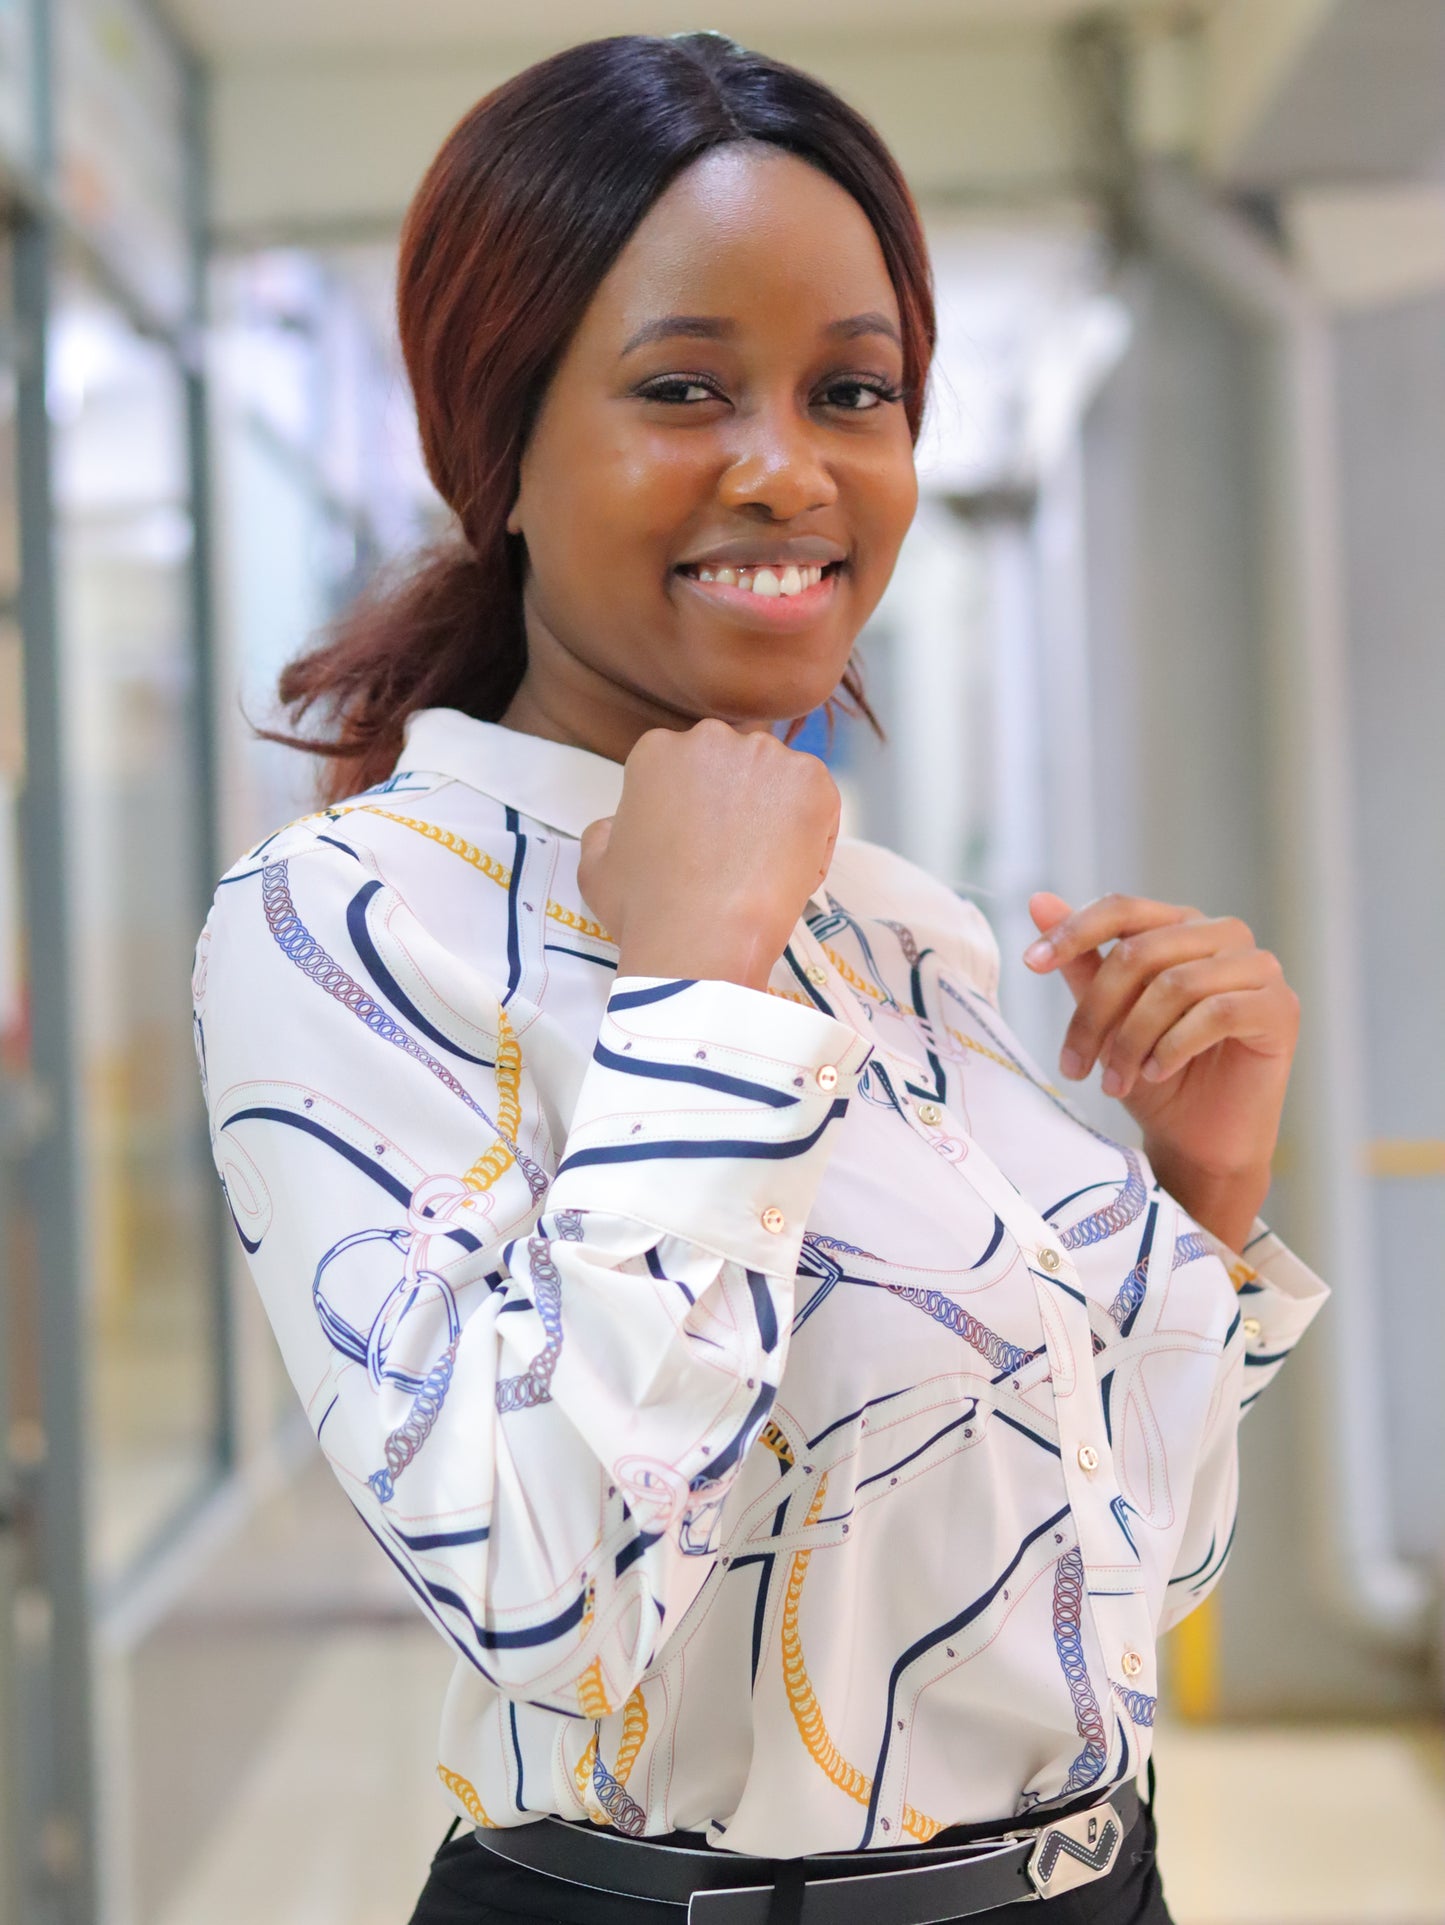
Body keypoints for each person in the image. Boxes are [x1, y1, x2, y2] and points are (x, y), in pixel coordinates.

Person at [193, 32, 1327, 1925]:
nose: (788, 467)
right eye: (683, 388)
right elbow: (539, 1588)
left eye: (852, 390)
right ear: (501, 444)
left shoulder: (890, 921)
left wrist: (1199, 1196)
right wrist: (696, 997)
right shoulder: (346, 921)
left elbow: (1109, 1586)